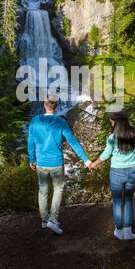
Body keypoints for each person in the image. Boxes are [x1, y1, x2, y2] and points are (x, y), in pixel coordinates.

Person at [28, 95, 91, 235]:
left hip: (41, 163)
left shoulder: (34, 122)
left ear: (45, 104)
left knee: (43, 190)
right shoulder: (60, 122)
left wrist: (31, 159)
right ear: (56, 106)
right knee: (58, 189)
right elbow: (72, 142)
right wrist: (85, 159)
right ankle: (53, 219)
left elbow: (30, 142)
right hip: (56, 163)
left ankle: (44, 220)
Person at [89, 111, 135, 240]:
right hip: (132, 171)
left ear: (116, 122)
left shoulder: (112, 137)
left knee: (117, 202)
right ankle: (128, 232)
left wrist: (93, 164)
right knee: (129, 200)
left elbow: (105, 155)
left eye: (112, 121)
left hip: (116, 172)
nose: (111, 123)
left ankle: (119, 231)